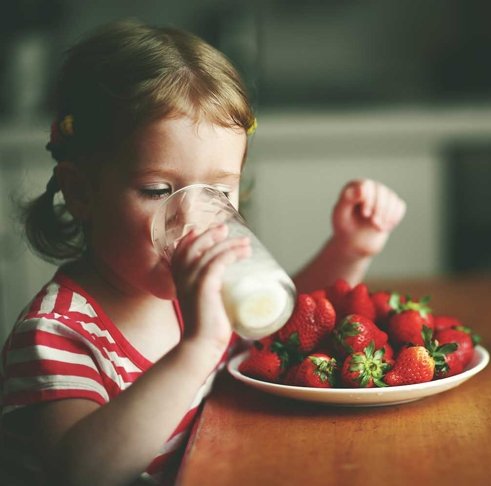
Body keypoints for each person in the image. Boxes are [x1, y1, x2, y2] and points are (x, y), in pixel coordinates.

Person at [0, 20, 405, 486]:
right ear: (81, 192)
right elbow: (83, 472)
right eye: (157, 190)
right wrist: (198, 349)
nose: (192, 219)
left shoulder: (194, 293)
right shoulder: (55, 335)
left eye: (217, 190)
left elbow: (286, 320)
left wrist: (349, 248)